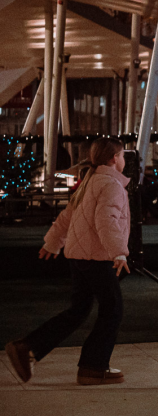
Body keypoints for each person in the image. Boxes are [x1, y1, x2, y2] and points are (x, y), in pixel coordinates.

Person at [5, 138, 131, 385]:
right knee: (112, 310)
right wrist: (119, 252)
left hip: (78, 257)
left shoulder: (91, 181)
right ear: (114, 158)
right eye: (123, 155)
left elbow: (67, 215)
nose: (125, 160)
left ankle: (28, 347)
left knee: (79, 310)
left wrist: (53, 243)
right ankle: (93, 367)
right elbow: (106, 221)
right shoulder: (111, 185)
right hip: (96, 257)